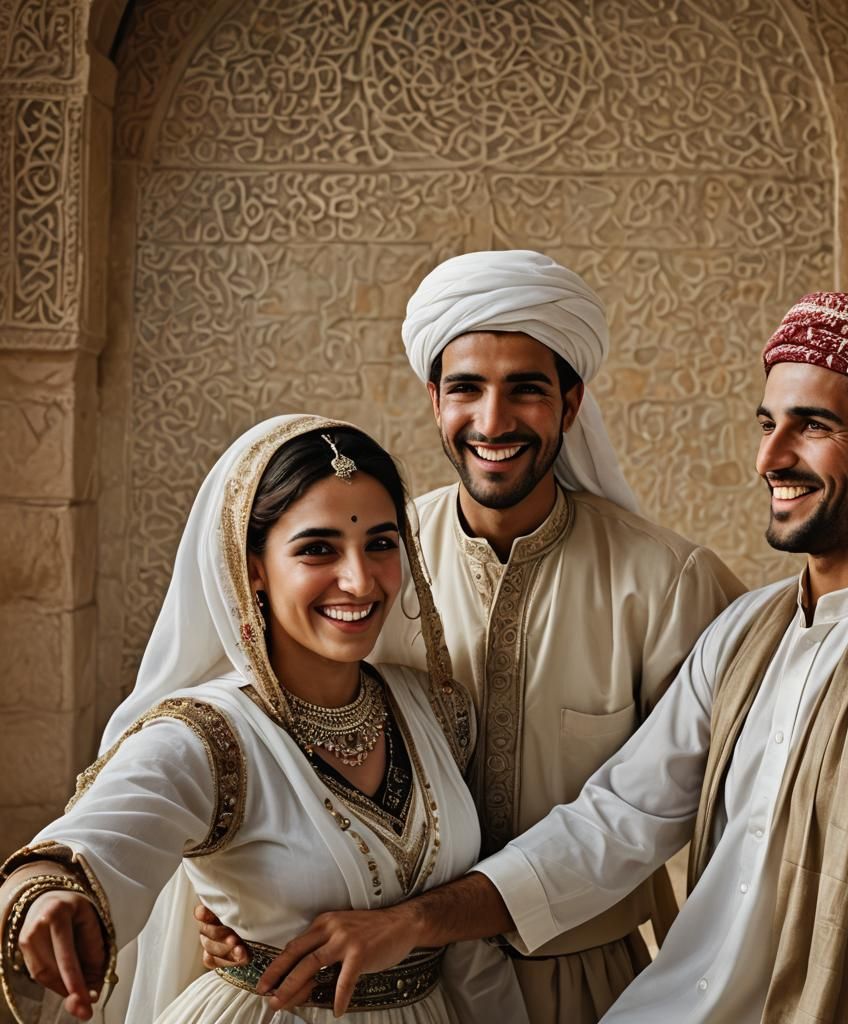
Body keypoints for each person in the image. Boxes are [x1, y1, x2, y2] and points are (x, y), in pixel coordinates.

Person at [234, 294, 848, 1023]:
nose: (770, 458)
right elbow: (615, 824)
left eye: (812, 427)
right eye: (767, 424)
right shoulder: (748, 631)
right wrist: (403, 921)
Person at [199, 250, 748, 1023]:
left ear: (570, 403)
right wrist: (242, 903)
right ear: (434, 399)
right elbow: (268, 731)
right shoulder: (377, 563)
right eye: (466, 388)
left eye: (525, 389)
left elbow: (676, 806)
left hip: (583, 989)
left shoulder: (666, 582)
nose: (492, 422)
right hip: (383, 992)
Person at [0, 416, 527, 1024]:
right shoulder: (210, 736)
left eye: (380, 544)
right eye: (318, 549)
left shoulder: (437, 709)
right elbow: (93, 840)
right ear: (251, 566)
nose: (359, 579)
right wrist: (43, 892)